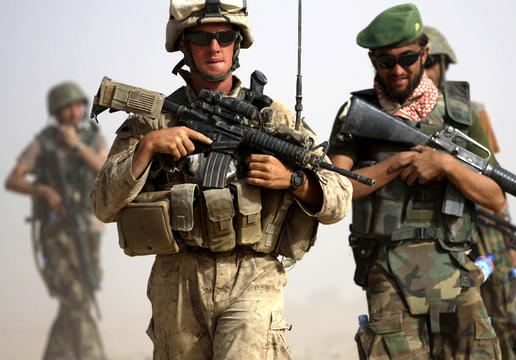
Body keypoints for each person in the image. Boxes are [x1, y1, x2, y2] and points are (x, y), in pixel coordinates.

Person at [90, 1, 351, 359]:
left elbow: (339, 197)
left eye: (225, 37)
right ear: (184, 46)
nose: (214, 47)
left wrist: (293, 180)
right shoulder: (153, 121)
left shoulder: (273, 118)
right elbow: (102, 206)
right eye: (201, 37)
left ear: (237, 45)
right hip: (178, 279)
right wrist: (148, 148)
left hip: (253, 274)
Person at [328, 4, 504, 359]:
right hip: (387, 269)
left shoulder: (459, 114)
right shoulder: (357, 115)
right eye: (384, 61)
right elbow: (337, 189)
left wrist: (446, 165)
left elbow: (496, 198)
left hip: (454, 266)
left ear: (424, 52)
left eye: (407, 58)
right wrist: (397, 164)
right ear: (371, 60)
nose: (396, 70)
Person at [423, 26, 516, 359]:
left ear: (442, 66)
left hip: (482, 222)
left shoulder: (469, 110)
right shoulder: (405, 114)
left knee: (503, 307)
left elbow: (496, 182)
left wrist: (509, 244)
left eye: (430, 64)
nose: (422, 72)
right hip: (436, 229)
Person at [5, 81, 108, 360]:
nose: (73, 112)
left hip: (89, 230)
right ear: (56, 111)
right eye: (66, 107)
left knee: (80, 295)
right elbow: (13, 179)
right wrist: (43, 191)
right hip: (56, 232)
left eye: (77, 105)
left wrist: (77, 148)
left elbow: (106, 170)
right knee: (74, 297)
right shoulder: (45, 142)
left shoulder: (91, 138)